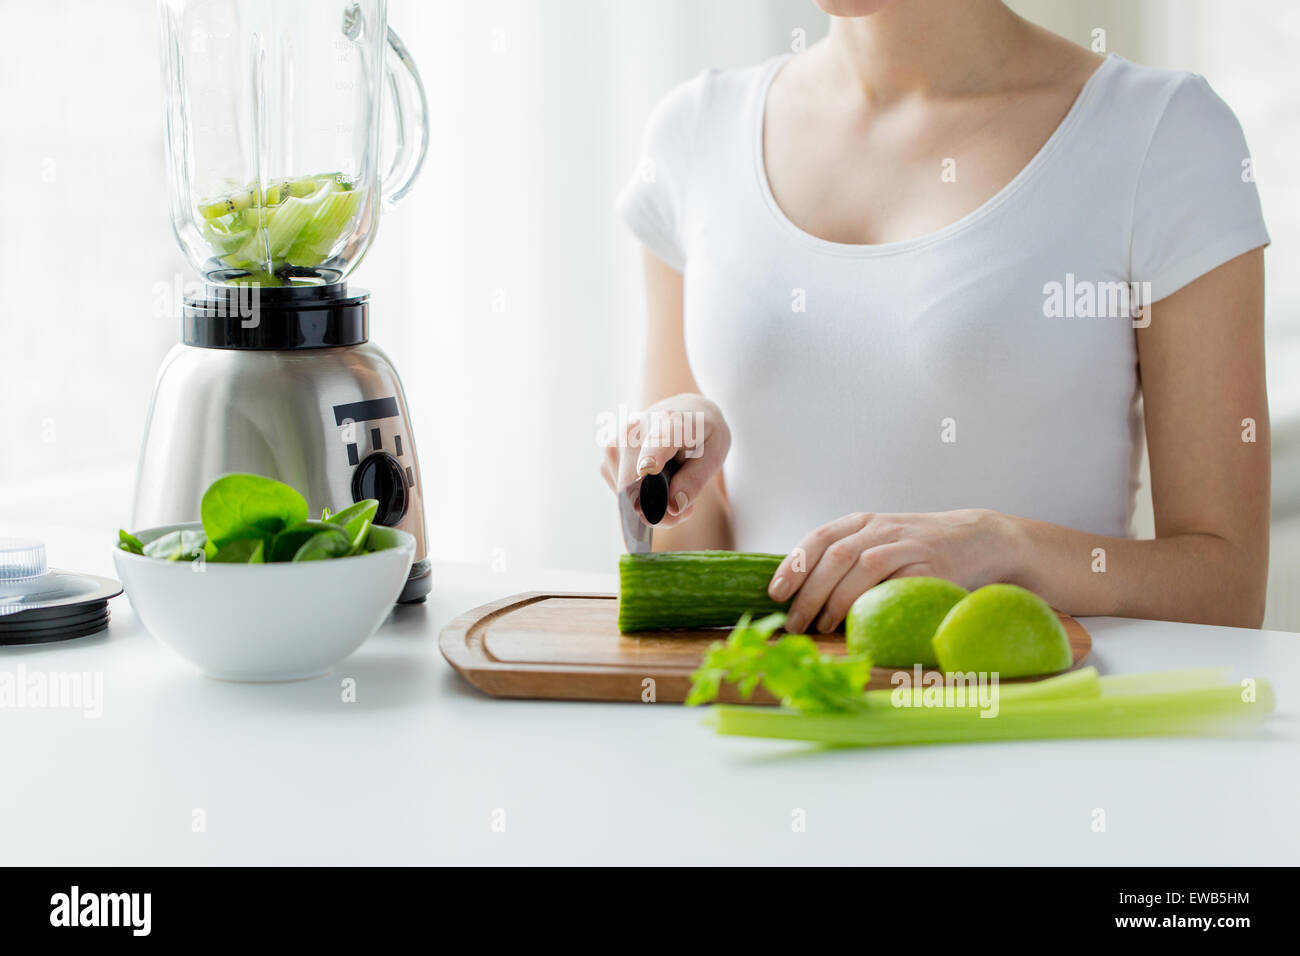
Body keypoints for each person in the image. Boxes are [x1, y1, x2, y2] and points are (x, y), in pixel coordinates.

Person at [602, 0, 1270, 633]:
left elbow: (1228, 587)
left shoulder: (1163, 132)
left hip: (1041, 738)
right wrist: (672, 470)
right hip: (775, 732)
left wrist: (1005, 549)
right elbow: (687, 564)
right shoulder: (695, 130)